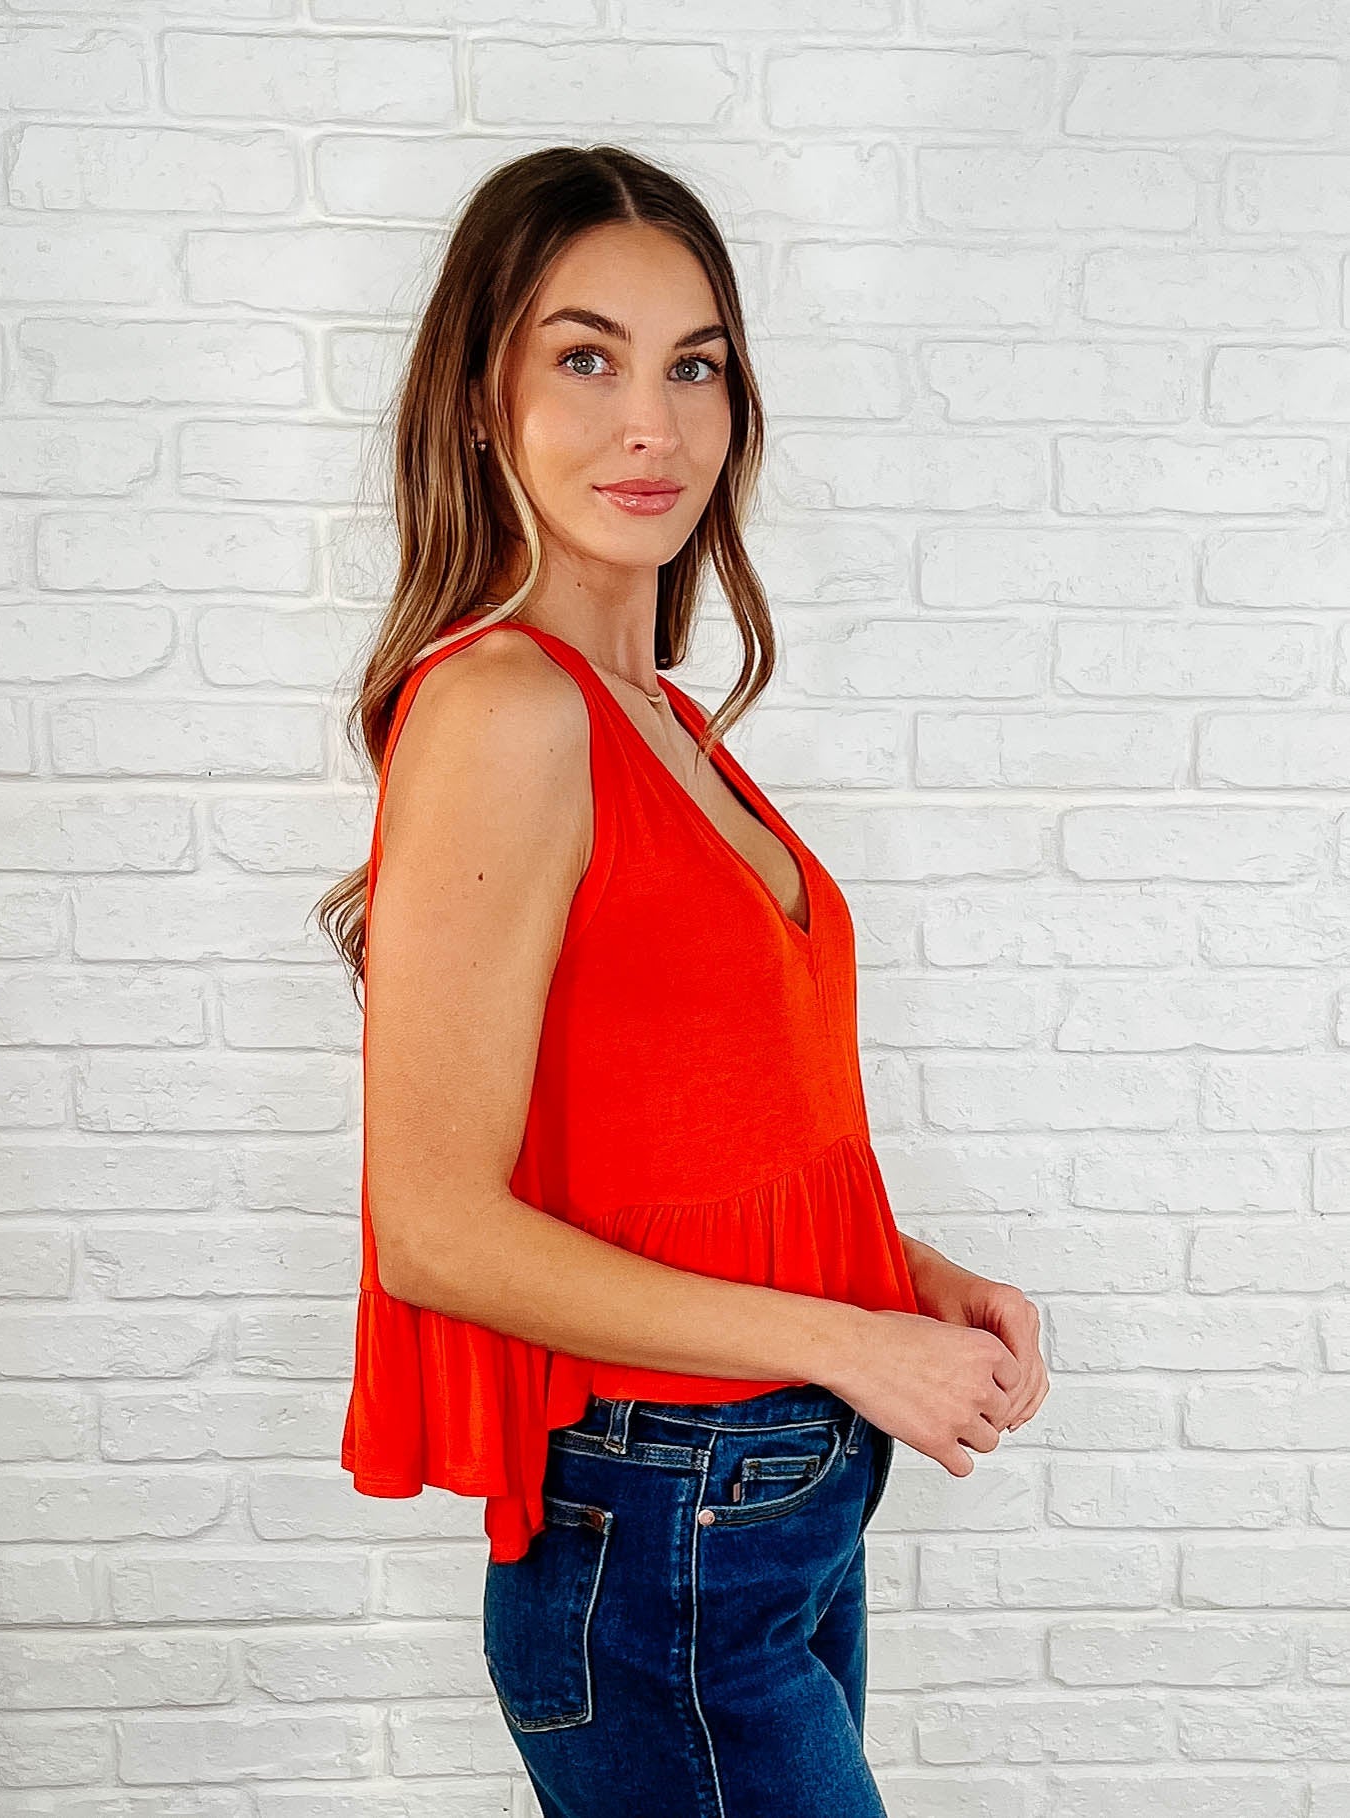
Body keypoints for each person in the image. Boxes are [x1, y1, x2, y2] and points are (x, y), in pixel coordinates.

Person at [316, 144, 1049, 1818]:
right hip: (665, 1533)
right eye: (586, 357)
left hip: (762, 1507)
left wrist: (901, 1280)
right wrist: (850, 1343)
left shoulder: (659, 715)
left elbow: (689, 1140)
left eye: (693, 365)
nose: (651, 423)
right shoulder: (507, 710)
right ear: (482, 395)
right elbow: (435, 1225)